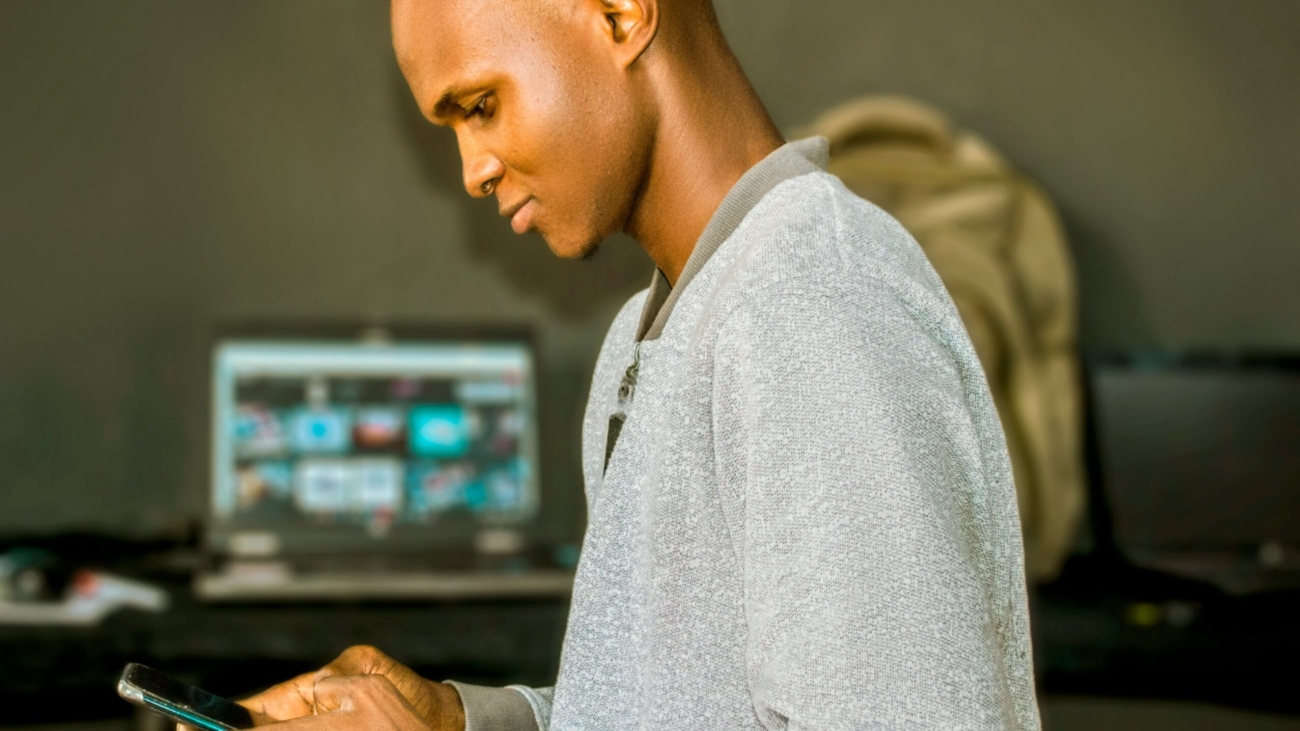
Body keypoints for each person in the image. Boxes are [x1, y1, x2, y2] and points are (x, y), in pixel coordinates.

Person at [227, 0, 1041, 728]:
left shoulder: (811, 299)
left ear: (621, 15)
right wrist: (458, 724)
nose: (472, 169)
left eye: (480, 106)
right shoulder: (657, 328)